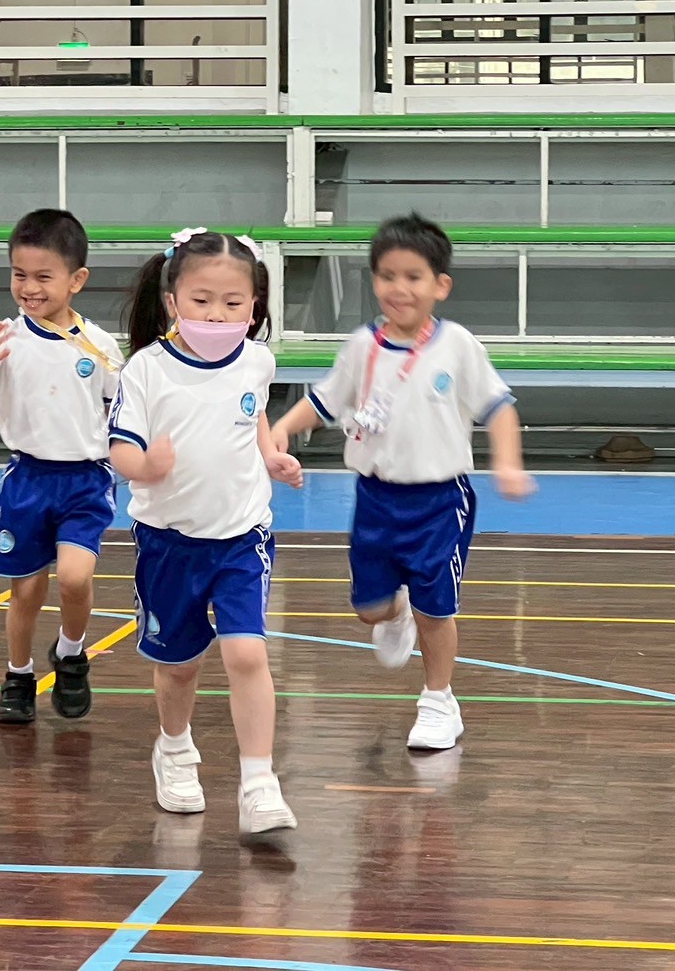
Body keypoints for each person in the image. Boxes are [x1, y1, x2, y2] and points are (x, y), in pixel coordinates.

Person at [271, 213, 534, 751]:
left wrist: (508, 463)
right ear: (374, 281)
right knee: (369, 607)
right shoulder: (362, 346)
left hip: (439, 501)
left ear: (441, 285)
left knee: (436, 609)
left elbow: (500, 408)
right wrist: (281, 428)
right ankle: (394, 618)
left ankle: (439, 701)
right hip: (375, 498)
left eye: (414, 276)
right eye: (388, 275)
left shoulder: (458, 346)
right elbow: (323, 401)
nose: (400, 288)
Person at [109, 227, 303, 835]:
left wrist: (271, 455)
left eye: (233, 302)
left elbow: (253, 413)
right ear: (172, 300)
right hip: (168, 542)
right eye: (201, 300)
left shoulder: (258, 360)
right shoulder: (146, 370)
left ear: (254, 307)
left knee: (247, 652)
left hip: (243, 535)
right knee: (180, 666)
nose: (217, 314)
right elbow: (120, 449)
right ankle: (174, 749)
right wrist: (146, 466)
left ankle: (259, 783)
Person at [0, 209, 123, 725]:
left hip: (86, 480)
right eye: (19, 274)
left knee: (74, 577)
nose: (29, 287)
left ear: (76, 280)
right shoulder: (4, 338)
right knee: (25, 590)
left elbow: (121, 413)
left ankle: (71, 653)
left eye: (43, 276)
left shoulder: (100, 347)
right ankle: (18, 674)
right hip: (27, 480)